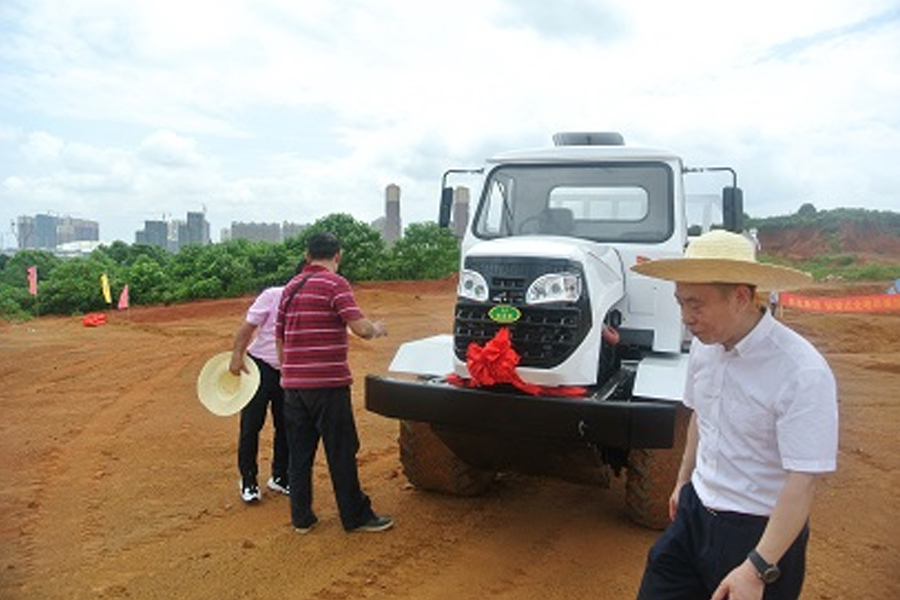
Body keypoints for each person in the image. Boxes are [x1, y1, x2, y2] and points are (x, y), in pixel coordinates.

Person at [630, 230, 838, 600]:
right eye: (680, 303)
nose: (686, 318)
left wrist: (757, 567)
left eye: (696, 304)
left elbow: (803, 480)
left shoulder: (801, 371)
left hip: (758, 532)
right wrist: (683, 481)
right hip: (695, 513)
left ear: (741, 297)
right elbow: (701, 416)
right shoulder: (704, 347)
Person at [275, 232, 394, 534]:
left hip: (293, 386)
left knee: (299, 454)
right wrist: (377, 328)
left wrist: (288, 373)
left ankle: (301, 517)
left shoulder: (289, 288)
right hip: (327, 385)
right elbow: (361, 328)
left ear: (307, 256)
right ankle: (355, 516)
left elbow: (280, 337)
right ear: (338, 255)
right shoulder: (335, 284)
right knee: (341, 450)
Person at [229, 285, 291, 503]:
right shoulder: (272, 295)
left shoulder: (311, 299)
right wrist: (237, 355)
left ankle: (280, 476)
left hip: (288, 371)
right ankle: (248, 480)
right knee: (251, 424)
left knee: (286, 425)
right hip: (259, 368)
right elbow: (248, 327)